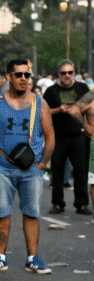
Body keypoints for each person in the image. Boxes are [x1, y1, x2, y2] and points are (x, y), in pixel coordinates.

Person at [0, 59, 56, 275]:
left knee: (31, 213)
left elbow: (50, 137)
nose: (24, 78)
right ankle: (0, 257)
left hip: (32, 170)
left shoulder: (39, 103)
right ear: (9, 77)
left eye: (27, 75)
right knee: (2, 213)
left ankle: (33, 258)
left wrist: (42, 164)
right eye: (19, 74)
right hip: (3, 169)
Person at [43, 60, 91, 215]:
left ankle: (81, 204)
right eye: (63, 73)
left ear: (74, 74)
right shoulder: (51, 91)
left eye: (70, 72)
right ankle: (58, 204)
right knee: (57, 171)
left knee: (81, 171)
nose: (67, 75)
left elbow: (90, 108)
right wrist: (59, 109)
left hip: (79, 135)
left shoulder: (82, 88)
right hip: (58, 136)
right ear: (58, 75)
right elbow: (43, 112)